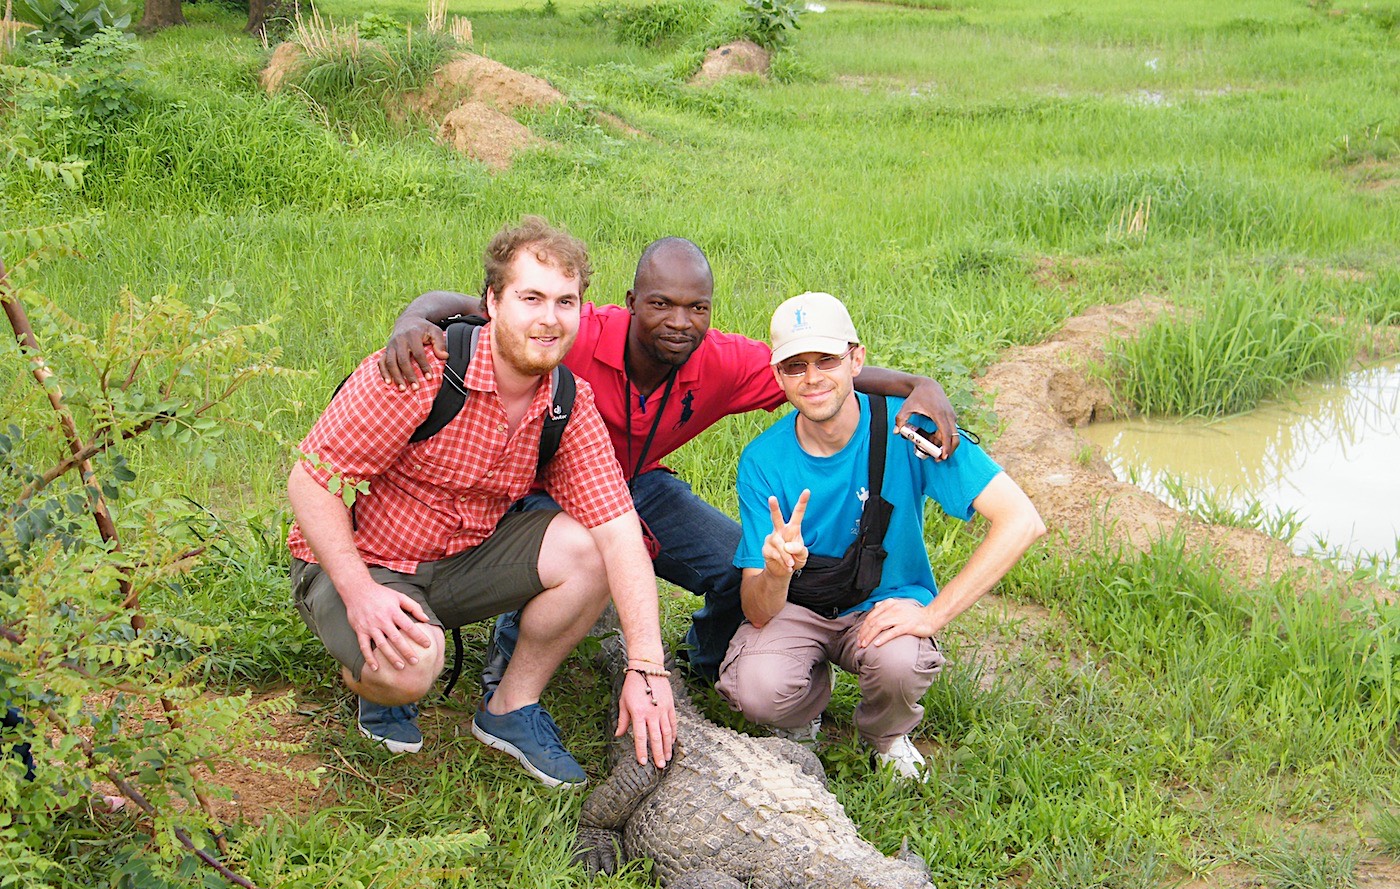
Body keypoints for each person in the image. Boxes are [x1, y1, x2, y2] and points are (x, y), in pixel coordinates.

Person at [379, 237, 963, 695]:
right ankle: (509, 679)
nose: (679, 321)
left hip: (640, 485)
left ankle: (709, 664)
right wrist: (412, 318)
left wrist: (919, 384)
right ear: (632, 303)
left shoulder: (722, 361)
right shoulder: (579, 334)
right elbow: (469, 308)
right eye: (660, 304)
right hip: (542, 491)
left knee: (742, 562)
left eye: (696, 307)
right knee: (584, 546)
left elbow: (819, 373)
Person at [287, 216, 675, 787]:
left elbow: (619, 529)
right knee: (415, 665)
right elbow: (311, 480)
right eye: (531, 298)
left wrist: (647, 666)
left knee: (592, 545)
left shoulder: (567, 403)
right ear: (492, 301)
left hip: (457, 564)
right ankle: (374, 684)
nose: (549, 319)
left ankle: (510, 709)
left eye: (565, 302)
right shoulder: (423, 367)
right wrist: (359, 591)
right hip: (360, 561)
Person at [718, 292, 1045, 779]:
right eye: (795, 366)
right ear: (777, 376)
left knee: (900, 662)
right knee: (757, 690)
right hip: (798, 608)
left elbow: (1021, 521)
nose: (812, 379)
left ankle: (886, 733)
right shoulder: (762, 460)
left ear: (857, 359)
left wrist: (934, 614)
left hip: (883, 601)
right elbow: (757, 610)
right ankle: (801, 712)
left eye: (827, 360)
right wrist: (774, 571)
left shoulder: (909, 428)